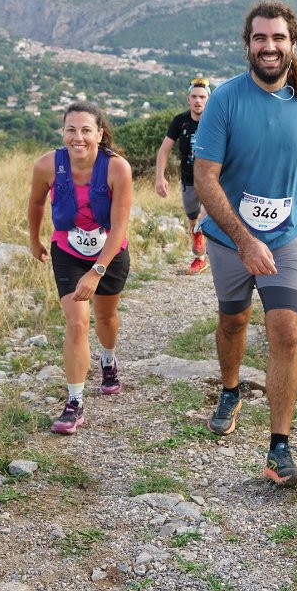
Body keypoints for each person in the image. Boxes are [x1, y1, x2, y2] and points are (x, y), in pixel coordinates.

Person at [193, 0, 297, 486]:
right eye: (260, 38)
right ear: (247, 44)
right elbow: (205, 177)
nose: (269, 46)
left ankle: (279, 449)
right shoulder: (226, 99)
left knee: (286, 332)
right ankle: (231, 389)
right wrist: (244, 240)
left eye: (278, 38)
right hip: (230, 238)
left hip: (287, 236)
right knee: (233, 321)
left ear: (293, 43)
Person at [28, 100, 132, 434]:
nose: (78, 137)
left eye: (86, 130)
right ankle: (74, 403)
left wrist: (97, 271)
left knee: (106, 318)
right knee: (77, 322)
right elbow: (36, 203)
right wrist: (34, 239)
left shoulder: (117, 168)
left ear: (99, 134)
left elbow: (119, 227)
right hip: (68, 250)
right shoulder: (47, 165)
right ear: (63, 132)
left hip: (109, 252)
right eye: (71, 129)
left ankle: (108, 358)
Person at [155, 78, 211, 275]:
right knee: (193, 219)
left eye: (202, 97)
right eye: (194, 97)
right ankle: (200, 259)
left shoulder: (216, 120)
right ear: (188, 99)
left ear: (208, 99)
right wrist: (159, 177)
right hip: (188, 180)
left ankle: (224, 255)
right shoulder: (180, 121)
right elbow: (164, 151)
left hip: (212, 180)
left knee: (208, 215)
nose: (198, 101)